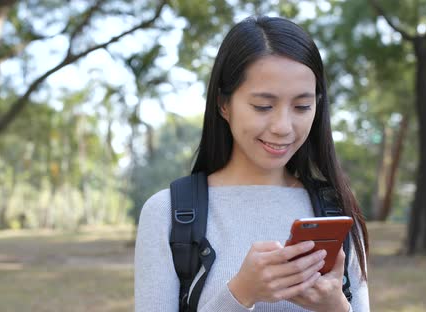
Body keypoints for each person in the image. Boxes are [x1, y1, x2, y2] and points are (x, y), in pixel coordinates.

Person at [135, 15, 369, 311]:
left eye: (302, 106)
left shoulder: (338, 212)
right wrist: (240, 294)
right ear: (223, 104)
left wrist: (335, 306)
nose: (283, 126)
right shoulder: (167, 213)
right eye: (263, 106)